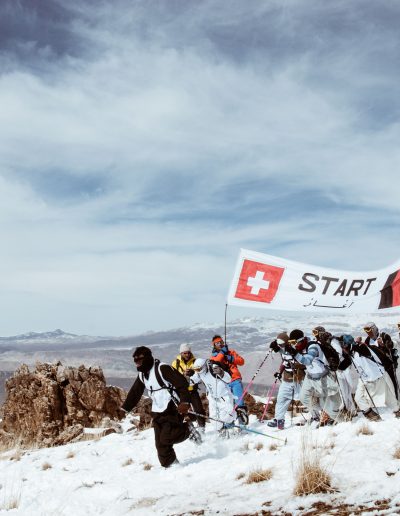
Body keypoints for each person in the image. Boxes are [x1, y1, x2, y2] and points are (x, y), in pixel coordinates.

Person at [121, 346, 198, 468]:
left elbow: (182, 383)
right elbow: (135, 392)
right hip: (157, 409)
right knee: (160, 443)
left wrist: (185, 403)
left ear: (147, 359)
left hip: (172, 407)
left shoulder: (162, 369)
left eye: (140, 361)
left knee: (166, 437)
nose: (137, 364)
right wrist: (125, 409)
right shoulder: (142, 374)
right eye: (135, 361)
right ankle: (170, 464)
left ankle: (188, 430)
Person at [285, 328, 342, 426]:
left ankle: (343, 422)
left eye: (294, 342)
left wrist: (294, 353)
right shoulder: (300, 347)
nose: (294, 345)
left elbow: (307, 361)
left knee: (329, 407)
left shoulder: (313, 347)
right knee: (304, 398)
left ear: (301, 340)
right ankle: (324, 412)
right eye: (291, 342)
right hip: (310, 376)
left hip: (323, 378)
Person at [342, 337, 400, 422]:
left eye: (344, 347)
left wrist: (353, 345)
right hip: (364, 379)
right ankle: (372, 415)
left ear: (348, 345)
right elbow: (342, 366)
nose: (343, 349)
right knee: (358, 398)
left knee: (388, 398)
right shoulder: (351, 354)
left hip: (377, 376)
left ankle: (397, 411)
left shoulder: (362, 348)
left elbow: (363, 349)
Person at [267, 332, 306, 430]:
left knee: (305, 398)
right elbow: (284, 361)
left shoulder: (295, 349)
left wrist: (294, 365)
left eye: (281, 344)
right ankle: (279, 420)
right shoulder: (282, 350)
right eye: (278, 344)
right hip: (287, 378)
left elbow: (303, 363)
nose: (279, 346)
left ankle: (316, 416)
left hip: (298, 379)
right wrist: (280, 372)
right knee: (281, 399)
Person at [190, 358, 235, 437]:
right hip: (213, 398)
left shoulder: (213, 368)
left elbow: (228, 380)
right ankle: (222, 432)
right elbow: (192, 380)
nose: (198, 371)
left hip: (224, 397)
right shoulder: (200, 373)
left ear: (204, 366)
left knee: (227, 417)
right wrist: (184, 380)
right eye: (196, 369)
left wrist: (221, 373)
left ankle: (232, 431)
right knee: (214, 420)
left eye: (199, 369)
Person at [210, 335, 248, 424]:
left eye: (221, 342)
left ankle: (243, 424)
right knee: (228, 406)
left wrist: (232, 358)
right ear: (214, 345)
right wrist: (223, 353)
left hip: (235, 380)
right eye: (217, 343)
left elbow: (242, 361)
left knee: (239, 403)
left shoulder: (231, 352)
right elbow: (217, 361)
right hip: (224, 383)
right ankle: (229, 425)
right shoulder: (213, 357)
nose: (220, 344)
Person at [171, 343, 206, 429]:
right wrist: (183, 375)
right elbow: (172, 377)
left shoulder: (195, 362)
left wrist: (193, 374)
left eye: (188, 352)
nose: (187, 355)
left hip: (193, 390)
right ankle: (189, 428)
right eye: (185, 353)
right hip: (181, 392)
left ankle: (202, 428)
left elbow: (200, 374)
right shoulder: (176, 363)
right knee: (184, 411)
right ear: (181, 353)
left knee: (199, 410)